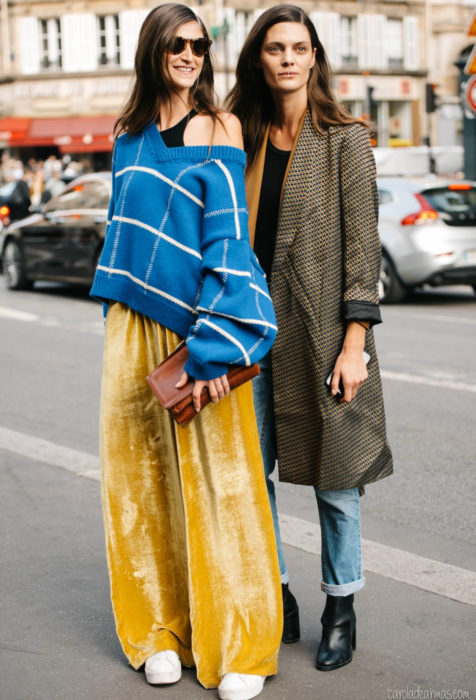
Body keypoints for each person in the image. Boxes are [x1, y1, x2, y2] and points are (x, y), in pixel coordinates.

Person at [90, 5, 282, 699]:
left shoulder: (220, 127)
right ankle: (157, 632)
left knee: (222, 484)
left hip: (200, 324)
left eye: (201, 45)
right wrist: (118, 312)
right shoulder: (128, 135)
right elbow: (124, 229)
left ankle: (238, 642)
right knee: (137, 486)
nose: (191, 54)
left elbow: (229, 242)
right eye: (177, 43)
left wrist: (214, 345)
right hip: (130, 327)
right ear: (153, 49)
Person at [227, 4, 393, 671]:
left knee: (336, 480)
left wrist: (355, 344)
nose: (288, 58)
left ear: (315, 58)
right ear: (259, 59)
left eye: (299, 47)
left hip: (325, 333)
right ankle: (277, 593)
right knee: (250, 474)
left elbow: (364, 249)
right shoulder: (239, 134)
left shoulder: (345, 137)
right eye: (275, 48)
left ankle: (340, 607)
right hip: (251, 330)